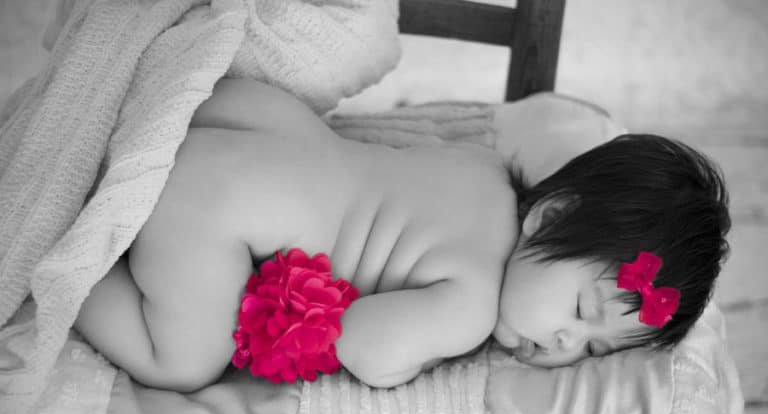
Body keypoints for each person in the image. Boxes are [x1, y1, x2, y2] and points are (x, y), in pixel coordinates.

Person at [74, 78, 731, 391]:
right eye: (584, 310)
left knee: (314, 149)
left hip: (245, 123)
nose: (565, 340)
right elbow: (364, 345)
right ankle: (72, 265)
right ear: (549, 218)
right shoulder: (470, 303)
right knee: (184, 362)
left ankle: (104, 168)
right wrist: (426, 358)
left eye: (591, 352)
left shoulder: (482, 169)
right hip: (210, 212)